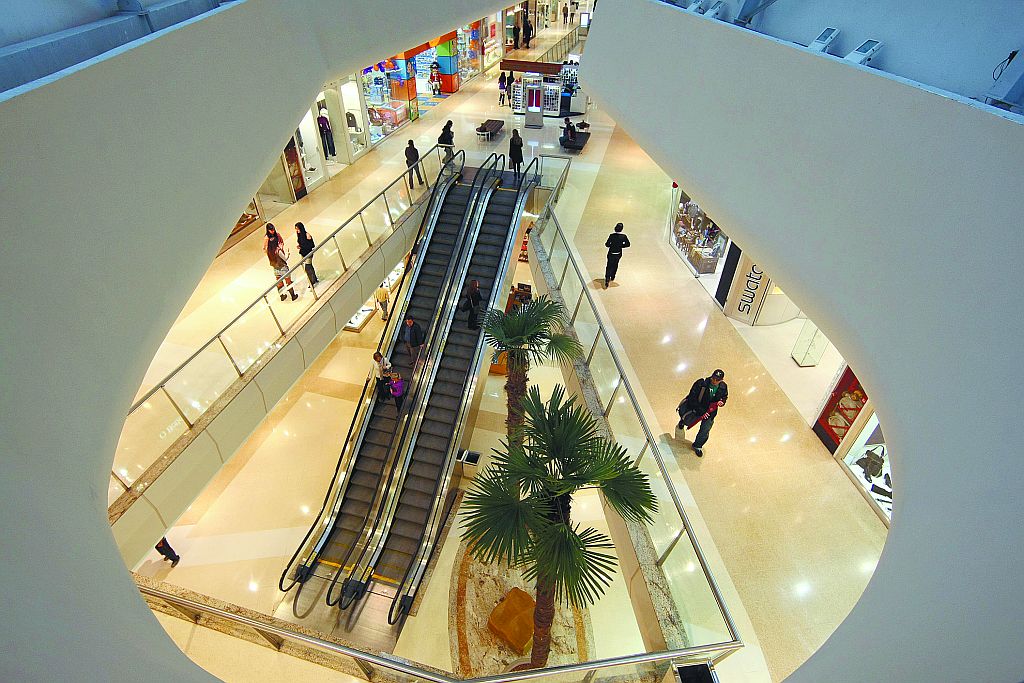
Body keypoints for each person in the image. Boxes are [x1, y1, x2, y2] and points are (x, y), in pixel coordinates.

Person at [676, 369, 729, 457]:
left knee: (705, 430)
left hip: (710, 413)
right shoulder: (701, 384)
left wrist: (722, 401)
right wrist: (702, 412)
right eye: (713, 378)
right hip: (697, 409)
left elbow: (724, 396)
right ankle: (682, 422)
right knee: (687, 420)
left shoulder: (723, 387)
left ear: (721, 380)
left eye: (717, 380)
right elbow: (692, 398)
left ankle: (698, 445)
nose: (714, 381)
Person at [263, 224, 297, 301]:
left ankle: (282, 296)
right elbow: (285, 258)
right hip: (281, 264)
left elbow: (265, 249)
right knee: (288, 280)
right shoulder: (276, 248)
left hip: (275, 264)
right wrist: (286, 253)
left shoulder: (270, 250)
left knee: (279, 281)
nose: (273, 231)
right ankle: (292, 295)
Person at [603, 222, 630, 288]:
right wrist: (620, 246)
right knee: (615, 264)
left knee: (609, 265)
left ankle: (607, 279)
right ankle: (612, 276)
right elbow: (628, 244)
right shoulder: (623, 236)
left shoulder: (611, 236)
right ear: (622, 229)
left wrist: (611, 245)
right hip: (618, 254)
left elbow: (607, 244)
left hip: (611, 253)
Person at [295, 222, 318, 287]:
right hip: (303, 253)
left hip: (308, 253)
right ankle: (314, 279)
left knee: (307, 267)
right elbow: (302, 243)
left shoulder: (307, 235)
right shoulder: (299, 235)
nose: (297, 230)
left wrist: (302, 246)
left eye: (298, 229)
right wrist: (300, 246)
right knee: (309, 266)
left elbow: (312, 245)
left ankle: (312, 281)